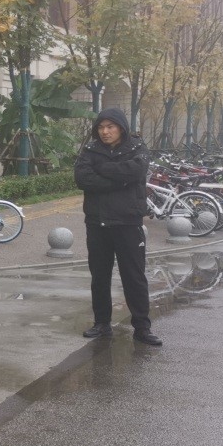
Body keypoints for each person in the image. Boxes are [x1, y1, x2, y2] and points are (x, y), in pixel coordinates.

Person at [74, 108, 161, 346]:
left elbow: (136, 171)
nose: (105, 132)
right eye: (101, 127)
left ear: (121, 128)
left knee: (134, 276)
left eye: (110, 127)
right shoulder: (91, 150)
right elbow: (82, 178)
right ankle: (102, 323)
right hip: (97, 223)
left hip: (128, 223)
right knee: (99, 276)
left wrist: (102, 169)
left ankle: (142, 327)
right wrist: (120, 180)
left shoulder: (137, 147)